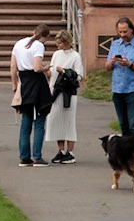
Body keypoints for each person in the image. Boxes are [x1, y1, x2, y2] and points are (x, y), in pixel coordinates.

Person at [10, 21, 54, 167]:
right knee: (39, 122)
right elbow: (36, 68)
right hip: (37, 85)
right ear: (45, 36)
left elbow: (13, 67)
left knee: (26, 122)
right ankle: (37, 157)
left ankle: (24, 157)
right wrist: (46, 67)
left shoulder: (19, 43)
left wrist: (15, 86)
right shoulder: (39, 45)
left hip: (24, 84)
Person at [107, 15, 134, 138]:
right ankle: (126, 153)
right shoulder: (115, 44)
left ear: (132, 29)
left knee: (133, 124)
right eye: (120, 32)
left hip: (133, 89)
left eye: (125, 31)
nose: (122, 34)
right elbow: (107, 67)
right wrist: (111, 62)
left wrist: (129, 64)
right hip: (117, 89)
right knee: (123, 124)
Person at [46, 30, 85, 164]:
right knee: (56, 120)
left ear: (67, 42)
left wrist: (64, 71)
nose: (58, 46)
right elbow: (51, 72)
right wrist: (47, 71)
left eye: (60, 43)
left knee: (69, 122)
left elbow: (79, 75)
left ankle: (70, 152)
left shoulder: (75, 56)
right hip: (56, 91)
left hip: (68, 92)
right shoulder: (56, 54)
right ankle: (61, 150)